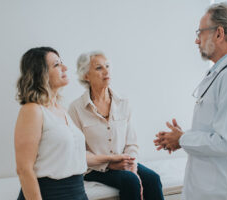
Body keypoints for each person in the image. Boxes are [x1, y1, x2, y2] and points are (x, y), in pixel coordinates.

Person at [154, 2, 227, 200]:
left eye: (200, 33)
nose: (197, 41)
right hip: (211, 189)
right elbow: (216, 131)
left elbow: (226, 142)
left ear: (219, 34)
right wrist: (182, 138)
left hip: (226, 191)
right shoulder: (224, 71)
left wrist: (182, 139)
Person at [14, 47, 125, 200]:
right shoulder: (32, 110)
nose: (65, 68)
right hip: (50, 194)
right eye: (56, 65)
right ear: (41, 73)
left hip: (76, 192)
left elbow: (75, 157)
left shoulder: (61, 110)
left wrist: (110, 159)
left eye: (62, 63)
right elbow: (24, 169)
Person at [68, 51, 164, 200]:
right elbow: (79, 152)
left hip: (123, 163)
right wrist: (109, 163)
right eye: (99, 68)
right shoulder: (76, 108)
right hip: (94, 169)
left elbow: (132, 143)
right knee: (130, 181)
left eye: (107, 66)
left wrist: (131, 166)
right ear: (86, 75)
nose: (106, 71)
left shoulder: (123, 102)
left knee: (153, 179)